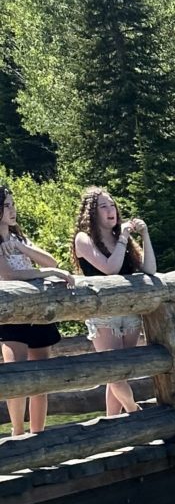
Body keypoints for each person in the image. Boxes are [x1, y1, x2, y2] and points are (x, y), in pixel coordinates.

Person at [72, 186, 156, 417]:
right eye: (104, 206)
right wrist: (124, 238)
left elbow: (149, 269)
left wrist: (145, 235)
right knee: (114, 372)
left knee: (123, 374)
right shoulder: (83, 239)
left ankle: (114, 424)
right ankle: (135, 412)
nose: (111, 210)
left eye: (112, 205)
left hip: (129, 312)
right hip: (103, 313)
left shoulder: (121, 238)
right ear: (92, 212)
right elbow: (110, 269)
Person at [0, 184, 74, 438]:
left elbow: (50, 261)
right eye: (7, 205)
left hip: (39, 313)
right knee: (18, 376)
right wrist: (48, 274)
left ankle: (39, 434)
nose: (13, 210)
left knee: (41, 378)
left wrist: (21, 247)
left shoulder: (18, 238)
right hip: (12, 315)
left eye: (13, 204)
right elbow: (8, 275)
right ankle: (18, 434)